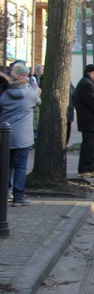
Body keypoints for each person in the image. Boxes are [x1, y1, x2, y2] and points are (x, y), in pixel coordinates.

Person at [0, 63, 41, 205]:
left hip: (5, 136)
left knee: (6, 166)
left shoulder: (5, 95)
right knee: (20, 167)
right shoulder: (30, 94)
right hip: (23, 137)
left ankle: (4, 193)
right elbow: (38, 101)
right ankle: (19, 196)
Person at [74, 64, 94, 178]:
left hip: (91, 119)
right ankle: (85, 168)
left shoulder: (89, 83)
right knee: (88, 145)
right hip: (88, 119)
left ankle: (91, 167)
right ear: (91, 73)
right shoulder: (86, 84)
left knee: (93, 145)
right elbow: (93, 102)